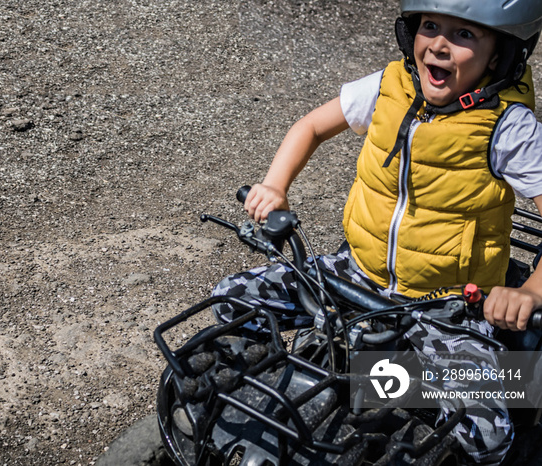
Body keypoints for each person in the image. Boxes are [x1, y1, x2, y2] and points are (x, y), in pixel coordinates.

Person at [212, 1, 542, 464]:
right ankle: (279, 398)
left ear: (500, 56)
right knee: (232, 299)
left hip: (444, 305)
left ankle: (384, 384)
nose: (440, 44)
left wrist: (529, 290)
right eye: (430, 26)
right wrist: (274, 185)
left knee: (488, 433)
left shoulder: (509, 128)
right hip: (356, 271)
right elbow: (311, 126)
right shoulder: (389, 86)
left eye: (465, 35)